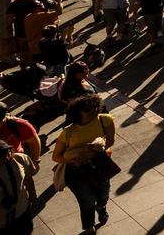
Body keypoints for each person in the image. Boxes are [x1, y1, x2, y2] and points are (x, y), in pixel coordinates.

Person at [51, 95, 117, 234]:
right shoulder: (68, 132)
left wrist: (94, 151)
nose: (93, 110)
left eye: (94, 106)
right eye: (88, 109)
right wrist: (76, 159)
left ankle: (101, 207)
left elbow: (110, 140)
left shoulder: (104, 120)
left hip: (99, 165)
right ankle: (88, 227)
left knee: (103, 195)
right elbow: (56, 156)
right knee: (87, 200)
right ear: (78, 113)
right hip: (76, 171)